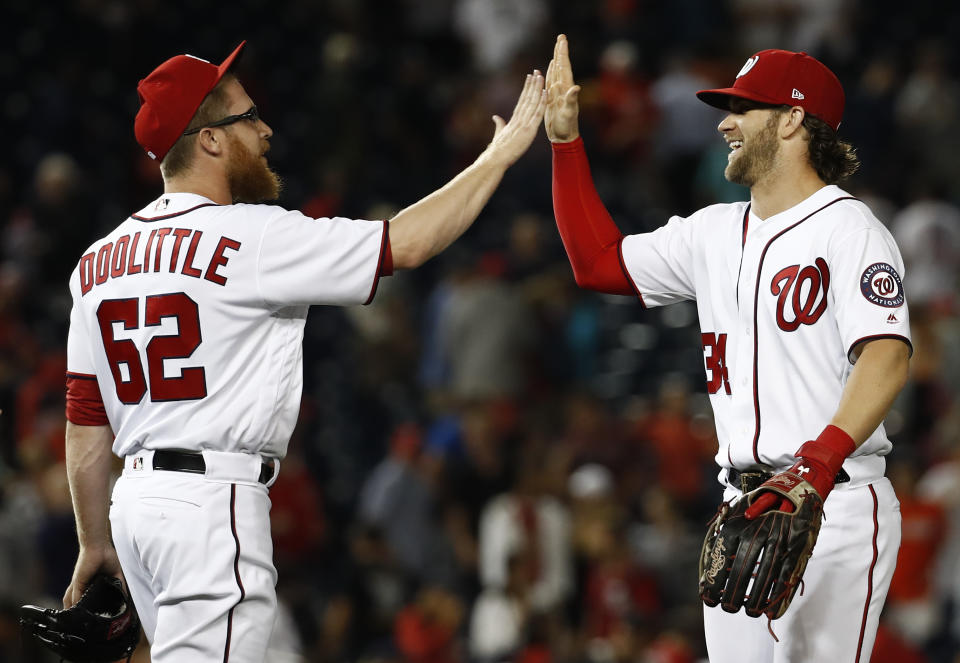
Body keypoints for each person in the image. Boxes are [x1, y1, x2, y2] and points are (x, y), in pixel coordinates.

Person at [62, 40, 545, 662]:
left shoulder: (95, 263)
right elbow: (409, 243)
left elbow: (85, 419)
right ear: (209, 140)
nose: (266, 130)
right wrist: (498, 157)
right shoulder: (253, 236)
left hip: (134, 510)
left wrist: (94, 540)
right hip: (211, 503)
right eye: (247, 116)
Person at [544, 34, 911, 662]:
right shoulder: (710, 232)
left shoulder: (852, 231)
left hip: (836, 502)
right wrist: (565, 143)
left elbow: (887, 355)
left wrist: (814, 468)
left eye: (744, 108)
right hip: (740, 506)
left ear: (794, 119)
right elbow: (597, 264)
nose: (726, 123)